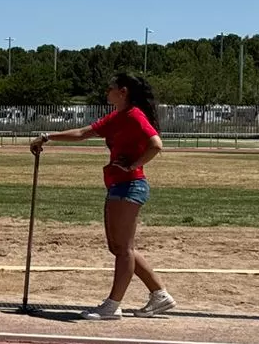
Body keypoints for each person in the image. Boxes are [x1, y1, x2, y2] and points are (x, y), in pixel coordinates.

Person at [33, 72, 177, 320]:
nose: (106, 92)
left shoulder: (134, 115)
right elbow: (82, 133)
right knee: (119, 247)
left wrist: (133, 165)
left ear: (123, 92)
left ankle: (112, 305)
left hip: (130, 186)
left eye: (110, 88)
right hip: (118, 186)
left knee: (123, 249)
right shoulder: (117, 117)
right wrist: (47, 136)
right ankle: (159, 293)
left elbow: (156, 143)